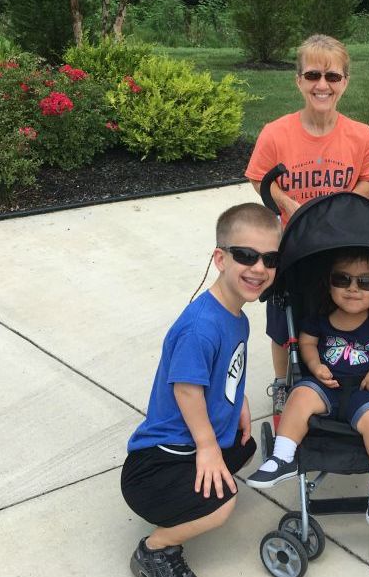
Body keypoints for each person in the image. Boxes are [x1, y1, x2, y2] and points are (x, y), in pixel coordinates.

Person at [121, 203, 281, 577]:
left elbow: (224, 369)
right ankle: (154, 550)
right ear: (220, 258)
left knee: (246, 444)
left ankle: (197, 486)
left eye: (270, 259)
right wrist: (208, 448)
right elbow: (187, 390)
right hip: (157, 461)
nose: (259, 268)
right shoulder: (202, 326)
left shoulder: (235, 314)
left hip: (188, 445)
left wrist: (237, 399)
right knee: (224, 505)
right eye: (246, 255)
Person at [244, 34, 369, 414]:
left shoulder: (361, 136)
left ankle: (336, 369)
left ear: (345, 82)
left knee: (336, 309)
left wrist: (348, 203)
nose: (322, 85)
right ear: (298, 81)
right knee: (282, 317)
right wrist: (290, 203)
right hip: (293, 243)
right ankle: (281, 381)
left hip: (339, 244)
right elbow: (260, 176)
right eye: (312, 75)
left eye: (332, 77)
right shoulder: (276, 133)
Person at [245, 247, 369, 528]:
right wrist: (314, 366)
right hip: (326, 385)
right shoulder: (321, 317)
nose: (353, 289)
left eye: (365, 282)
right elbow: (307, 342)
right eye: (342, 279)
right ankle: (283, 457)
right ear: (328, 283)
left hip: (366, 392)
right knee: (299, 395)